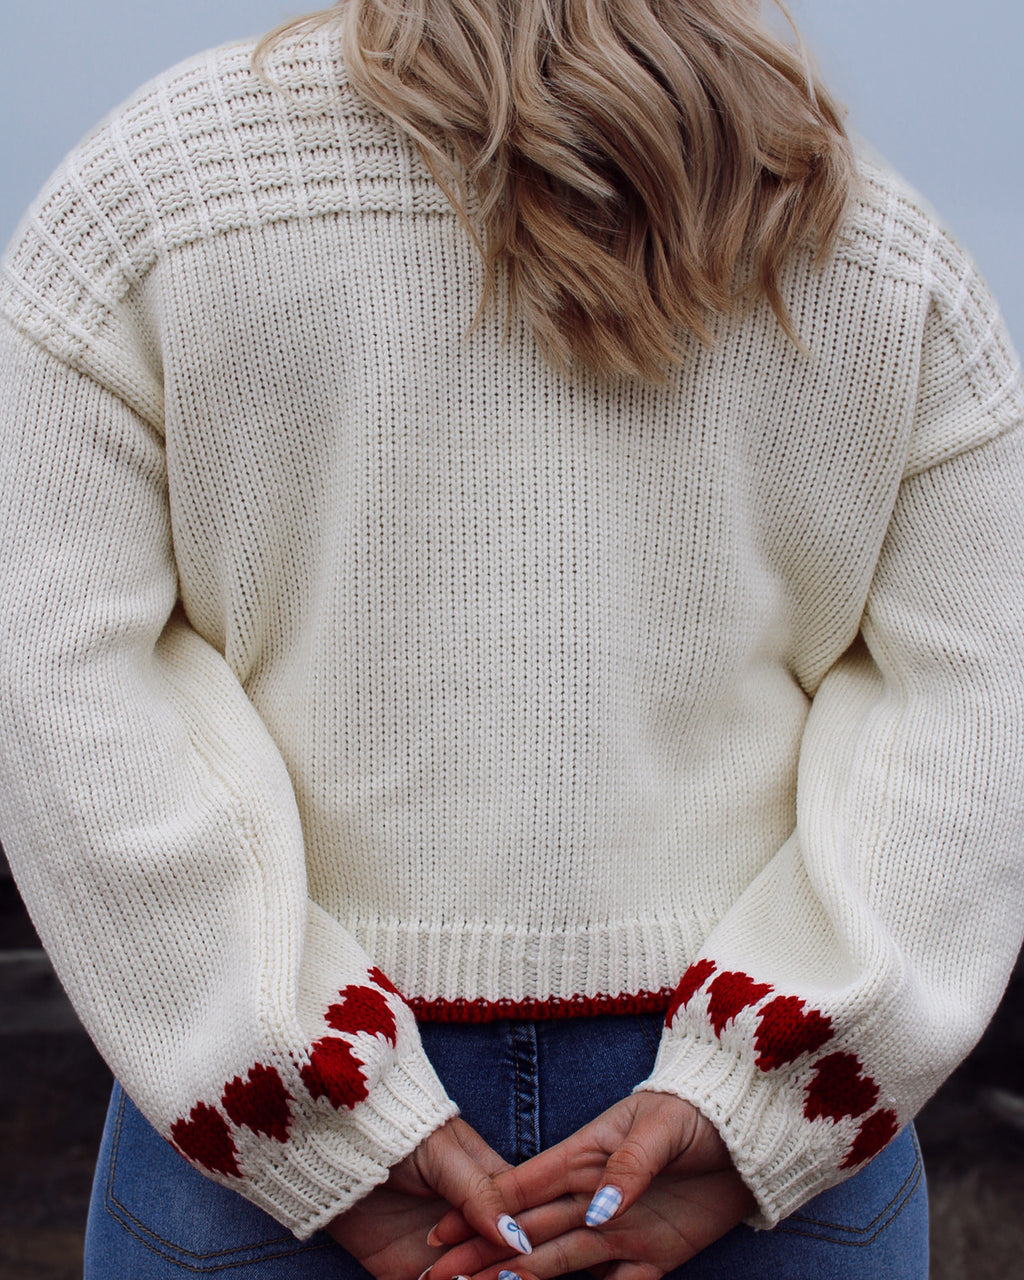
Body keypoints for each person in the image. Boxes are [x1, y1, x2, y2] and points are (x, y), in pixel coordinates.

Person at [1, 1, 1021, 1276]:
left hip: (255, 1152)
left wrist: (313, 1111)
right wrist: (760, 1096)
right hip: (749, 1154)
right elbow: (979, 719)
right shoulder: (883, 254)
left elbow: (56, 695)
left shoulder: (142, 206)